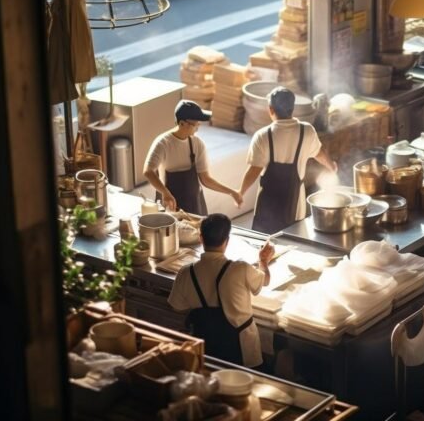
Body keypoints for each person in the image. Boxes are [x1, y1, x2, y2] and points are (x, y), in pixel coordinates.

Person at [168, 213, 274, 367]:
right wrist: (263, 261)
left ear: (201, 238)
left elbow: (176, 306)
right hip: (242, 351)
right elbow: (265, 280)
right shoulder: (241, 269)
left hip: (206, 350)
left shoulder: (185, 272)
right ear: (227, 241)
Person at [239, 87, 337, 234]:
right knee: (293, 243)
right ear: (293, 108)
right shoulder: (307, 131)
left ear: (271, 110)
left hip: (267, 207)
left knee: (264, 243)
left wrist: (240, 192)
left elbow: (254, 170)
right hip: (295, 206)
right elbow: (319, 153)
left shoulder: (262, 136)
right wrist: (331, 166)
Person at [144, 100, 242, 214]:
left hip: (194, 205)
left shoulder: (197, 144)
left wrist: (231, 192)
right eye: (195, 124)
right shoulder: (163, 143)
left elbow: (206, 179)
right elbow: (148, 172)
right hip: (169, 204)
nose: (198, 128)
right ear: (182, 123)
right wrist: (165, 193)